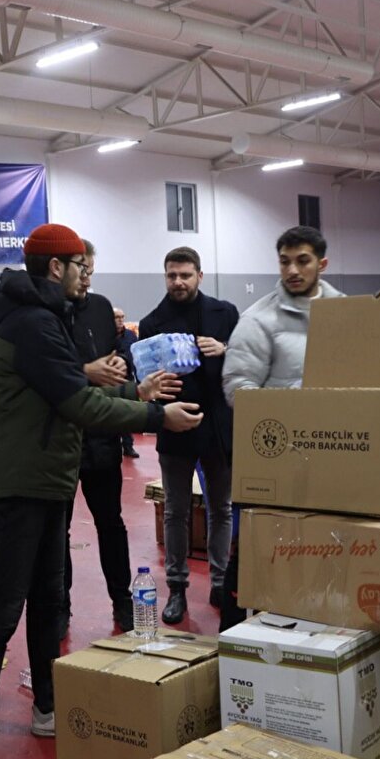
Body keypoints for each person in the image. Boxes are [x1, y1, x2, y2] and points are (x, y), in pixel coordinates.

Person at [0, 223, 200, 759]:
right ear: (54, 267)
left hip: (47, 478)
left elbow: (74, 390)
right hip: (18, 484)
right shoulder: (35, 322)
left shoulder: (49, 316)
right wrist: (153, 416)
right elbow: (76, 403)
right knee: (5, 608)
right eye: (77, 264)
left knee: (47, 599)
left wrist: (131, 393)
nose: (84, 274)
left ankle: (46, 707)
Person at [219, 225, 342, 630]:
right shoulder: (258, 320)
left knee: (326, 553)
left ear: (321, 264)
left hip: (336, 456)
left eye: (302, 260)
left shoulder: (345, 311)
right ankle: (237, 639)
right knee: (257, 559)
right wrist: (295, 419)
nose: (292, 269)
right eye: (285, 261)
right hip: (276, 461)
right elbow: (239, 389)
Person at [139, 246, 239, 626]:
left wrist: (225, 348)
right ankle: (177, 588)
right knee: (177, 512)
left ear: (200, 274)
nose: (178, 281)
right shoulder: (152, 323)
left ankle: (219, 582)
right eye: (171, 275)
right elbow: (145, 380)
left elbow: (247, 357)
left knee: (221, 508)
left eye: (185, 274)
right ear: (165, 277)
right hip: (175, 425)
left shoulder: (225, 313)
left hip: (217, 426)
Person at [62, 241, 136, 635]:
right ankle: (60, 607)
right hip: (60, 436)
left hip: (102, 434)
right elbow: (50, 368)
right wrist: (85, 371)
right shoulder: (49, 312)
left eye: (91, 269)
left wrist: (120, 362)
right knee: (59, 530)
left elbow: (112, 356)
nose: (86, 277)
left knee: (111, 522)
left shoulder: (101, 307)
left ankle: (123, 601)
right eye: (81, 269)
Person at [114, 307, 141, 458]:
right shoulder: (104, 335)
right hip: (110, 381)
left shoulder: (131, 335)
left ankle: (128, 446)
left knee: (127, 414)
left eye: (122, 317)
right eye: (116, 317)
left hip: (128, 380)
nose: (120, 320)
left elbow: (136, 356)